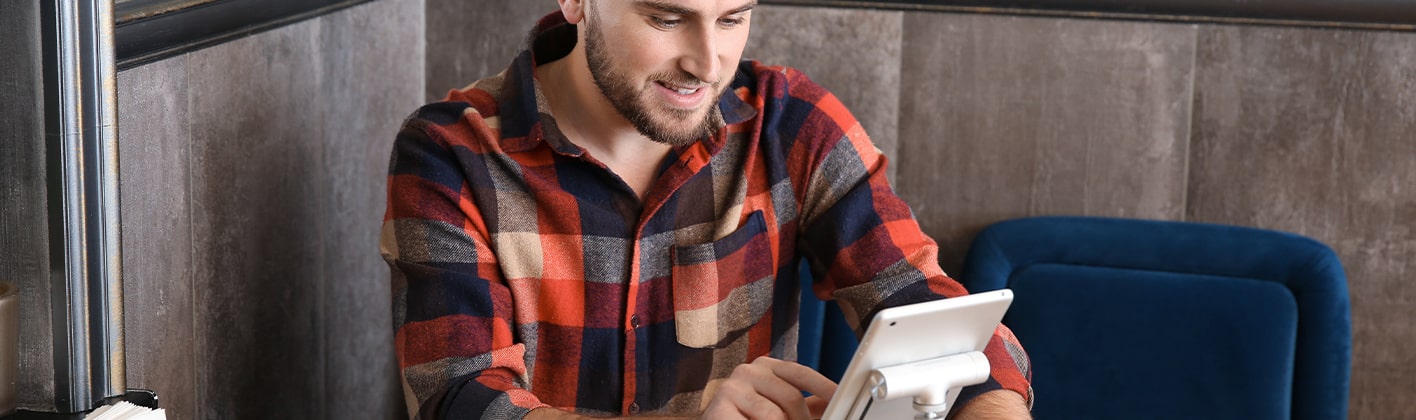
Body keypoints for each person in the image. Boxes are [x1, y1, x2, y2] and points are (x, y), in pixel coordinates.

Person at [382, 0, 1033, 418]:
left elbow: (922, 302)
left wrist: (989, 408)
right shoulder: (450, 152)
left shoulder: (790, 125)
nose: (707, 63)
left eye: (732, 17)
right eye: (666, 18)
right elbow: (461, 400)